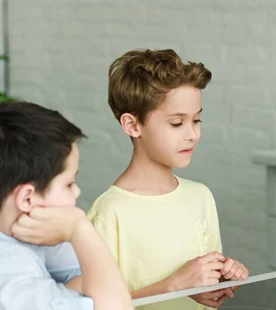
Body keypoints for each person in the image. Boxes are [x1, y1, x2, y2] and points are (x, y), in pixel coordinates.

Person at [88, 49, 248, 309]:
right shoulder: (109, 212)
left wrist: (223, 276)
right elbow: (96, 305)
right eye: (177, 123)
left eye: (197, 120)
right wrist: (175, 284)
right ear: (132, 125)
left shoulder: (201, 197)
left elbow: (201, 289)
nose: (193, 134)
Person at [0, 102, 133, 310]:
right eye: (69, 183)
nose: (77, 191)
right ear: (27, 198)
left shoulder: (20, 223)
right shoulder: (4, 279)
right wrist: (79, 228)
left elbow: (86, 277)